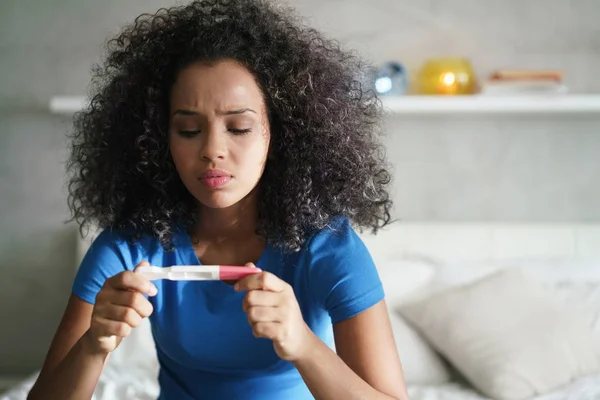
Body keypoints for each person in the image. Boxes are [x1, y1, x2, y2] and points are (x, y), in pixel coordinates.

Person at [28, 0, 408, 399]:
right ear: (160, 141)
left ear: (278, 137)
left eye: (239, 127)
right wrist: (93, 345)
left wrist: (303, 344)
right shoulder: (128, 246)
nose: (212, 150)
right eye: (189, 130)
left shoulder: (329, 248)